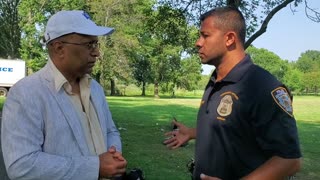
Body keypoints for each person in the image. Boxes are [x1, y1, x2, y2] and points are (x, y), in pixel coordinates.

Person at [164, 6, 301, 180]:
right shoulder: (216, 79)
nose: (198, 42)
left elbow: (290, 160)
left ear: (229, 38)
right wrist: (192, 132)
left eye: (205, 35)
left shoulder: (263, 86)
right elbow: (232, 129)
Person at [1, 10, 127, 180]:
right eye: (89, 45)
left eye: (96, 44)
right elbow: (22, 165)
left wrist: (114, 156)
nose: (97, 53)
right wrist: (95, 167)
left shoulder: (95, 88)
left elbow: (111, 131)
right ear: (60, 48)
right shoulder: (26, 93)